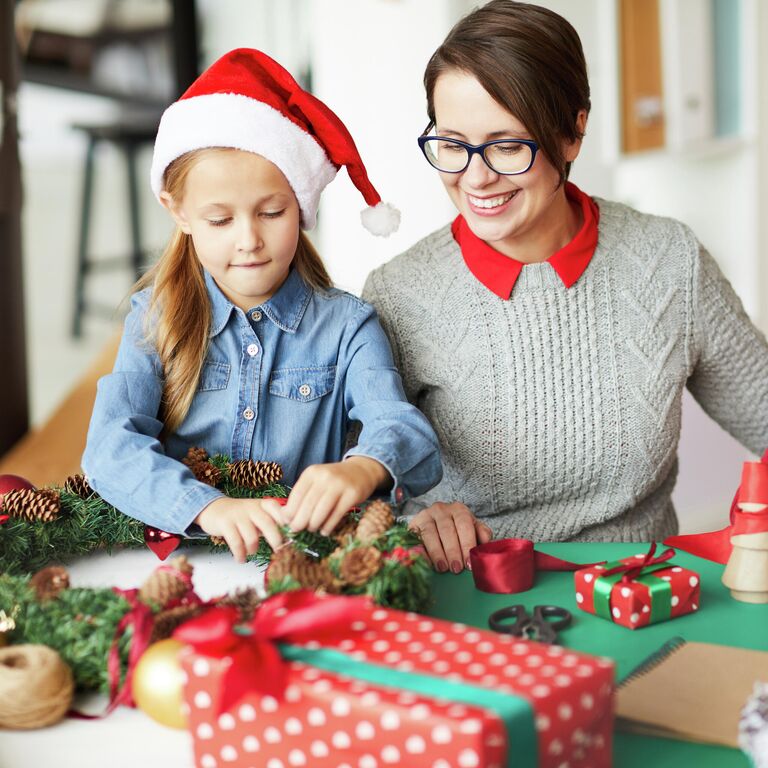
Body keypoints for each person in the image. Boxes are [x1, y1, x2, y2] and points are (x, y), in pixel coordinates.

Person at [362, 0, 768, 572]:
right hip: (475, 603)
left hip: (642, 595)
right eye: (452, 144)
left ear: (573, 132)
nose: (475, 177)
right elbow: (354, 486)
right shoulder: (398, 293)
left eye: (507, 145)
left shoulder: (668, 262)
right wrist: (406, 518)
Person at [82, 49, 442, 563]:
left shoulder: (347, 326)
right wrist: (207, 508)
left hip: (304, 569)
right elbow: (109, 448)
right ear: (178, 211)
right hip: (180, 565)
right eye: (220, 221)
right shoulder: (155, 317)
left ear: (301, 206)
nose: (249, 239)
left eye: (271, 212)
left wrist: (363, 467)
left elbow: (402, 427)